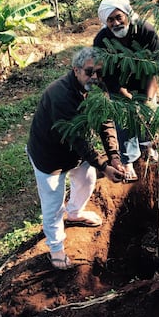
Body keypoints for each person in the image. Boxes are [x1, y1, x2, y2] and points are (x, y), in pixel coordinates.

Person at [26, 47, 125, 270]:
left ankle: (75, 213)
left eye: (99, 72)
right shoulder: (59, 94)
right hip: (49, 156)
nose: (95, 77)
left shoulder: (98, 87)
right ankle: (56, 248)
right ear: (76, 70)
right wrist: (103, 166)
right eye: (89, 72)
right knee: (53, 204)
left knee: (87, 180)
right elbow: (76, 138)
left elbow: (105, 121)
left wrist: (115, 158)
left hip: (74, 154)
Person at [93, 0, 159, 180]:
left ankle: (147, 146)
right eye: (110, 20)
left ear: (128, 15)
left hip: (144, 78)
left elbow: (154, 68)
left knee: (148, 112)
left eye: (118, 17)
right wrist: (123, 95)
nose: (115, 23)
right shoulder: (102, 40)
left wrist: (147, 99)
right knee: (124, 117)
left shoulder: (145, 32)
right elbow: (105, 74)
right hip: (118, 83)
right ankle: (128, 160)